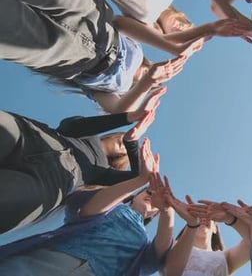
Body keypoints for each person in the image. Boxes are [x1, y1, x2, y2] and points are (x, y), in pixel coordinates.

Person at [0, 0, 248, 112]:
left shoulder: (119, 91)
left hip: (72, 58)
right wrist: (184, 41)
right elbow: (120, 22)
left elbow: (119, 111)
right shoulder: (138, 50)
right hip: (95, 16)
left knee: (8, 27)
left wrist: (147, 84)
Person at [0, 88, 165, 233]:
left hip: (52, 181)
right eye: (121, 137)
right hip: (33, 136)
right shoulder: (90, 132)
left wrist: (132, 142)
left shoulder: (102, 172)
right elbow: (70, 126)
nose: (122, 144)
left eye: (125, 150)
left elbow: (137, 177)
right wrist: (129, 117)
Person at [0, 140, 176, 276]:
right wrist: (140, 180)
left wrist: (168, 210)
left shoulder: (144, 242)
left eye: (156, 198)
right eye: (148, 191)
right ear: (135, 195)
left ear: (155, 213)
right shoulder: (115, 205)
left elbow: (159, 255)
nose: (151, 196)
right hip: (49, 262)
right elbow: (89, 209)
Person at [158, 179, 250, 276]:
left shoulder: (225, 257)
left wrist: (229, 218)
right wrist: (191, 224)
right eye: (197, 214)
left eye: (208, 215)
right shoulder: (172, 246)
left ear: (215, 229)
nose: (202, 218)